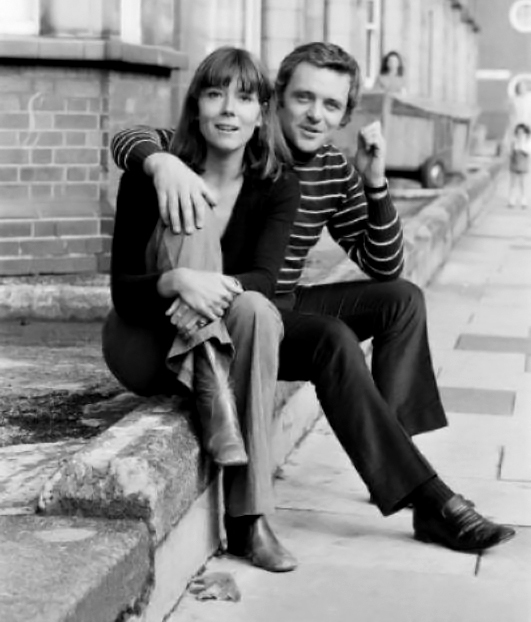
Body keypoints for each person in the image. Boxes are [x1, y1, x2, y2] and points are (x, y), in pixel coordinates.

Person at [111, 42, 515, 555]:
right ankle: (414, 485)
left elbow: (385, 266)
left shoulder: (324, 171)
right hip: (225, 311)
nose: (314, 114)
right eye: (303, 97)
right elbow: (130, 138)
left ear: (345, 115)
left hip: (272, 301)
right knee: (329, 337)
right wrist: (160, 162)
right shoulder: (213, 144)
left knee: (402, 298)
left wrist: (374, 184)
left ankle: (392, 461)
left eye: (330, 105)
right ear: (275, 98)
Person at [104, 46, 301, 572]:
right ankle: (213, 375)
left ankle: (248, 520)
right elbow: (123, 293)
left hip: (220, 329)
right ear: (196, 107)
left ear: (262, 113)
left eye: (243, 97)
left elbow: (264, 278)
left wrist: (208, 297)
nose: (228, 110)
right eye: (214, 94)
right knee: (189, 219)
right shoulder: (153, 176)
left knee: (258, 311)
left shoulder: (278, 185)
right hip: (142, 343)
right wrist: (178, 280)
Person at [508, 122, 530, 208]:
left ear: (525, 133)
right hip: (514, 163)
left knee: (523, 183)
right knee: (513, 183)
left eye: (522, 132)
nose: (520, 134)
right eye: (518, 132)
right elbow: (510, 153)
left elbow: (528, 152)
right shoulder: (514, 142)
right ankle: (512, 200)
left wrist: (521, 145)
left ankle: (523, 200)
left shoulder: (528, 143)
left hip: (523, 165)